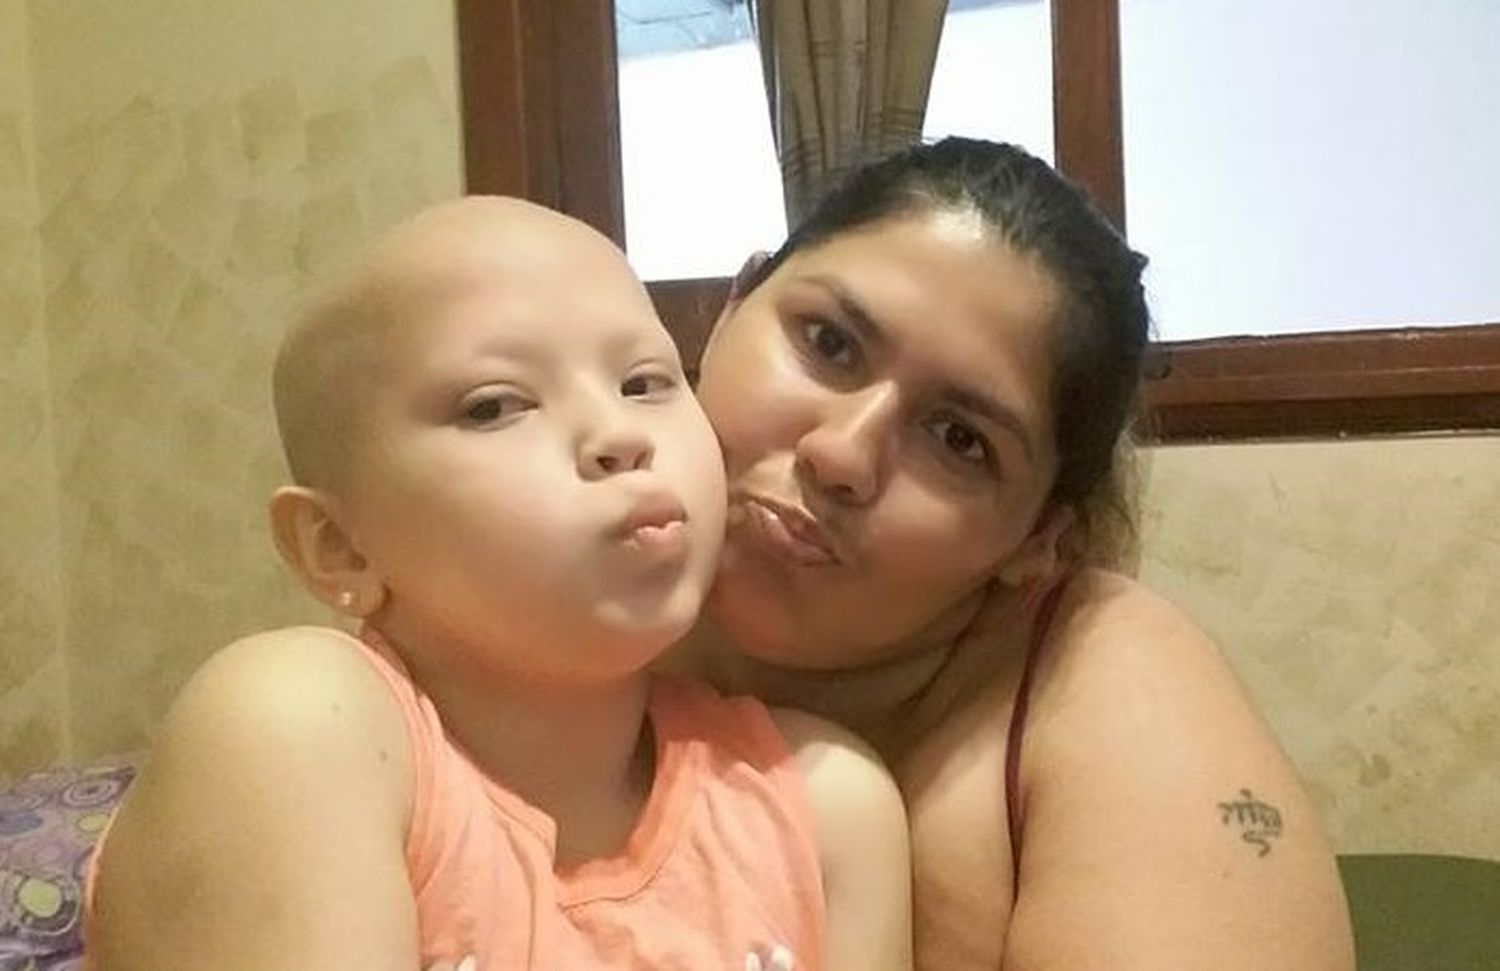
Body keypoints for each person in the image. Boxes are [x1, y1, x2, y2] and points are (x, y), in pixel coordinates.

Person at [84, 197, 912, 971]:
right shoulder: (295, 724)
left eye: (645, 382)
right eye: (496, 405)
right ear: (339, 547)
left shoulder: (825, 809)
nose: (619, 434)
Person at [674, 137, 1357, 970]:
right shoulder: (542, 570)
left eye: (958, 438)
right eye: (829, 342)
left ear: (1041, 542)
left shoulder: (1110, 690)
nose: (842, 454)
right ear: (733, 306)